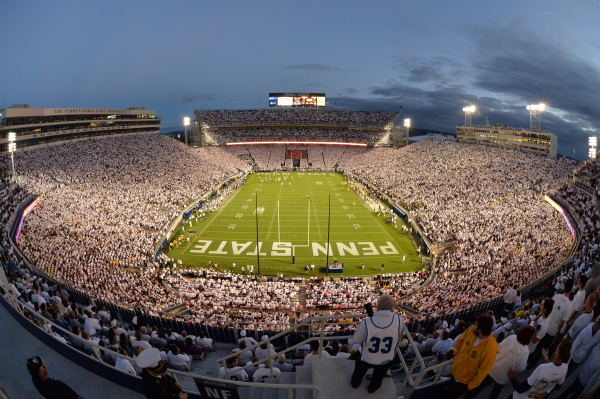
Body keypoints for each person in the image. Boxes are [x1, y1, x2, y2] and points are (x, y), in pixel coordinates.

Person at [350, 294, 404, 393]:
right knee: (378, 379)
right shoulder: (399, 320)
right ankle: (372, 389)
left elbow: (356, 340)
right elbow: (399, 337)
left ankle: (355, 384)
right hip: (387, 358)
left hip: (366, 357)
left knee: (358, 374)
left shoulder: (367, 322)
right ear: (392, 307)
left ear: (378, 307)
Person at [442, 314, 498, 399]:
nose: (473, 325)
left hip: (464, 382)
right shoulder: (471, 329)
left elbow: (484, 370)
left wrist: (471, 386)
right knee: (449, 391)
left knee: (451, 396)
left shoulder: (491, 348)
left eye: (476, 325)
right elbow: (461, 340)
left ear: (480, 330)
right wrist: (455, 352)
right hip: (455, 370)